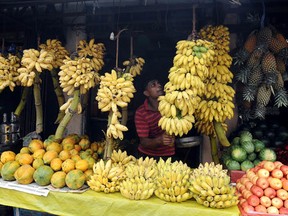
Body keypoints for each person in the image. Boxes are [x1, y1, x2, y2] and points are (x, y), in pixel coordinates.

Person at [134, 79, 175, 161]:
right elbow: (144, 142)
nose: (159, 85)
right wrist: (160, 140)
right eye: (153, 85)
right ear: (146, 93)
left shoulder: (172, 106)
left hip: (168, 153)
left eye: (158, 83)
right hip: (147, 156)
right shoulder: (141, 112)